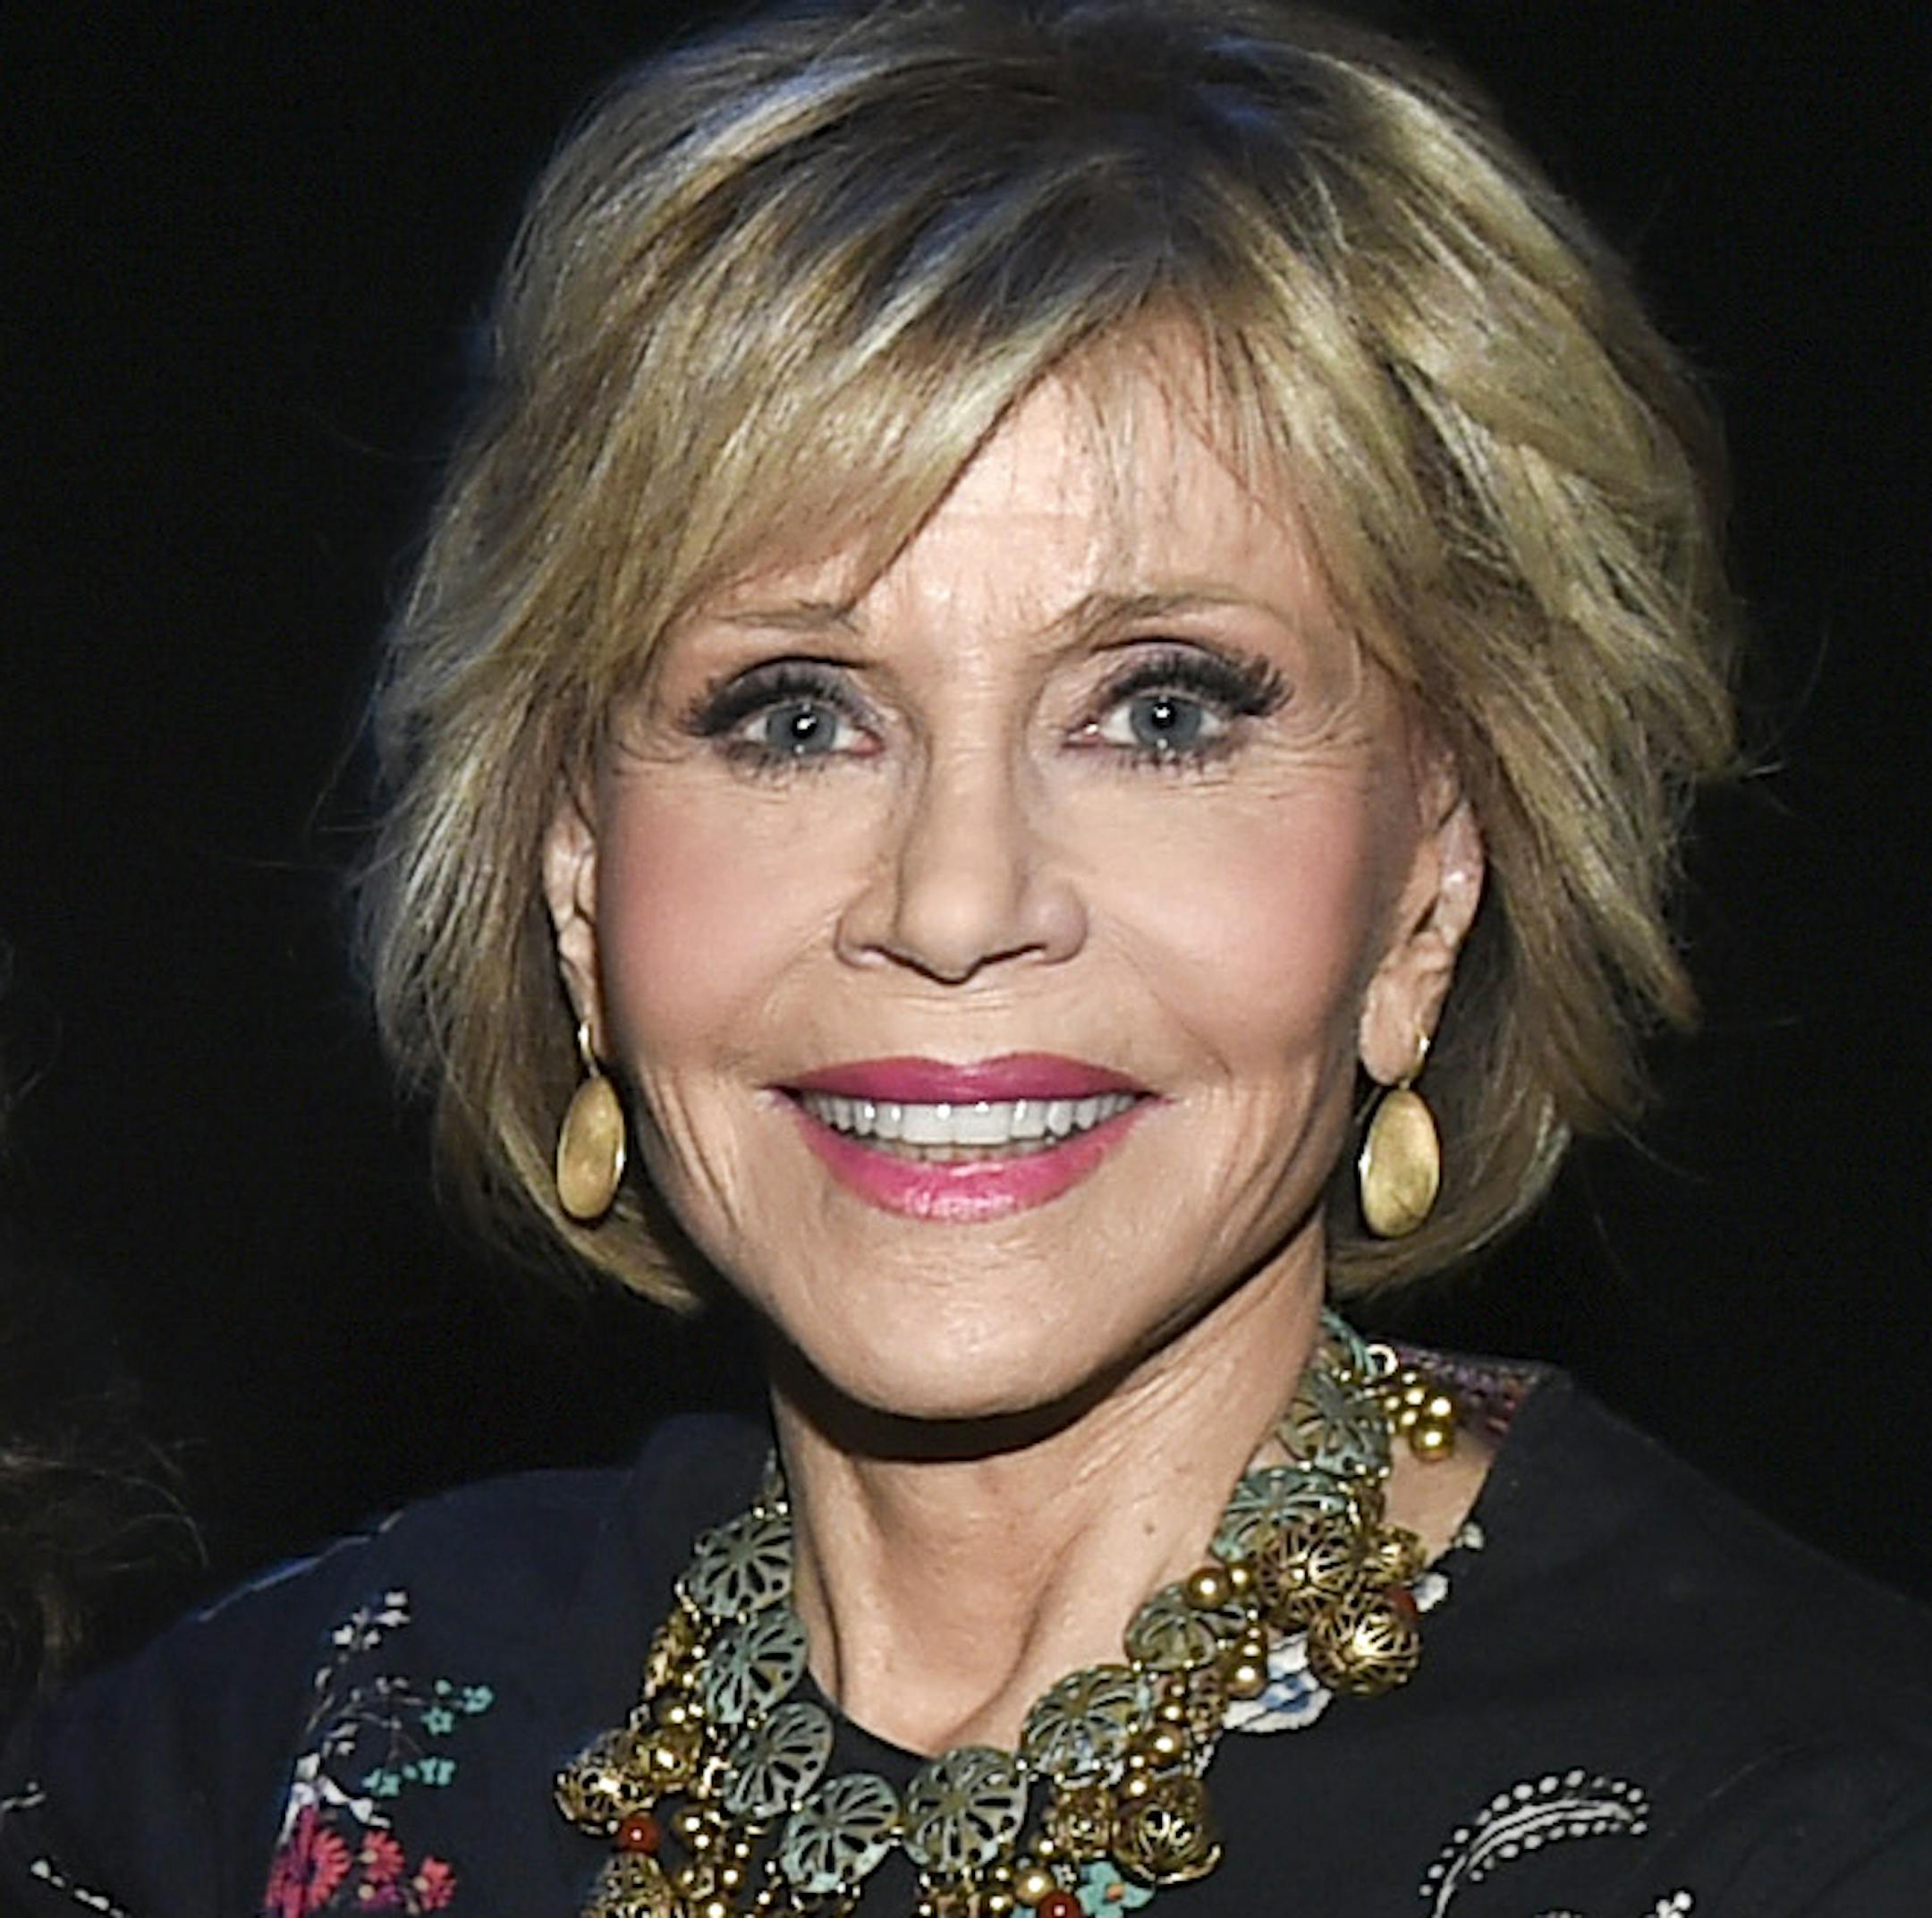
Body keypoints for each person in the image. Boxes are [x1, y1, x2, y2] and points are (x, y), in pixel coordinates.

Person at [3, 2, 1927, 1912]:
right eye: (791, 713)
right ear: (576, 866)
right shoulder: (252, 1768)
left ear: (1433, 870)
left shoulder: (1807, 1827)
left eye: (1164, 712)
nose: (952, 900)